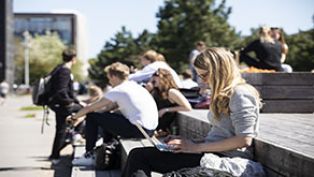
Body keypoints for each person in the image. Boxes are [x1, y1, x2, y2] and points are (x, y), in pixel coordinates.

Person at [122, 47, 262, 177]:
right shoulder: (221, 94)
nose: (203, 80)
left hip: (224, 159)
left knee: (145, 160)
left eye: (204, 75)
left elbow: (244, 140)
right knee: (138, 155)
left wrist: (195, 147)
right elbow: (220, 134)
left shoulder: (241, 93)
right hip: (208, 152)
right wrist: (187, 142)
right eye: (200, 76)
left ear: (220, 71)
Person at [70, 62, 159, 166]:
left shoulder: (118, 90)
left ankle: (89, 155)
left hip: (139, 130)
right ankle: (106, 148)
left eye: (109, 78)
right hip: (149, 130)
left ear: (114, 76)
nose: (109, 81)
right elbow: (107, 109)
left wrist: (74, 117)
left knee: (91, 117)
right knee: (106, 117)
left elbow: (90, 108)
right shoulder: (135, 87)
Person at [48, 48, 84, 164]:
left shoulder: (58, 68)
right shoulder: (65, 71)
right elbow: (62, 91)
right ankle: (75, 134)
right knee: (87, 110)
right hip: (62, 104)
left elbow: (67, 91)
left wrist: (77, 101)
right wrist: (70, 102)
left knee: (61, 130)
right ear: (73, 58)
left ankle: (55, 155)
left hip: (58, 104)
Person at [145, 68, 192, 134]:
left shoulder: (171, 92)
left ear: (164, 78)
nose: (153, 79)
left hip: (161, 125)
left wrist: (166, 110)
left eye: (156, 76)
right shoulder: (155, 91)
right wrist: (147, 91)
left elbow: (187, 107)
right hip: (152, 123)